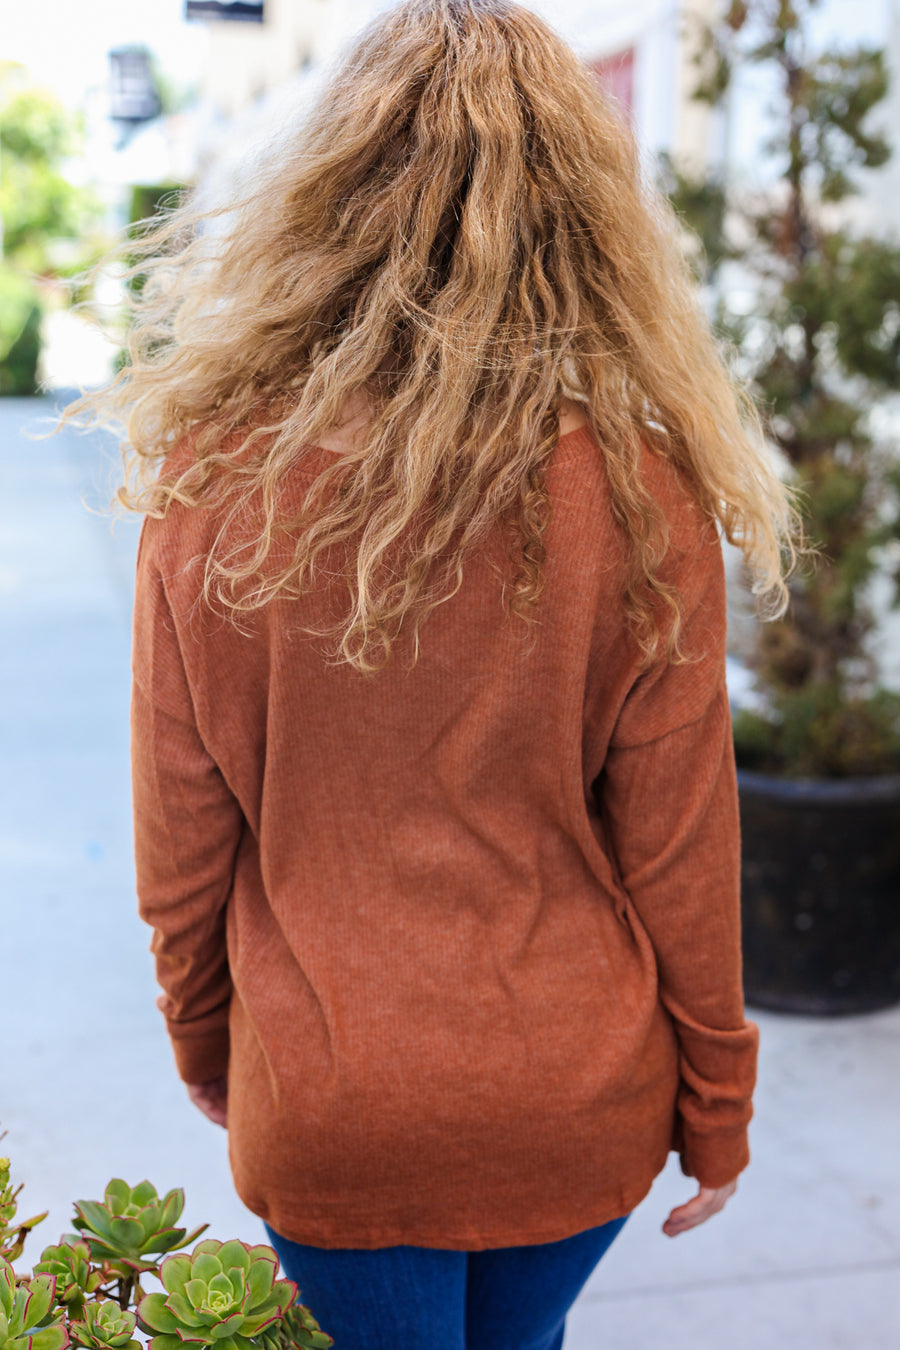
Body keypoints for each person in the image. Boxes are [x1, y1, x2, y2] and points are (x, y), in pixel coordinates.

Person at [66, 1, 797, 1345]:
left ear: (328, 200)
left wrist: (208, 1042)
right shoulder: (645, 495)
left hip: (340, 1096)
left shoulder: (217, 484)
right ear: (584, 219)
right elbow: (684, 845)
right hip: (576, 1093)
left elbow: (179, 846)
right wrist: (719, 1105)